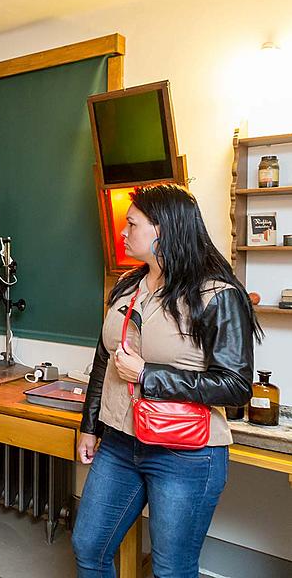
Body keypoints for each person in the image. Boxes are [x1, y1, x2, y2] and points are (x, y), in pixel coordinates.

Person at [72, 184, 261, 577]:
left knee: (171, 569)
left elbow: (236, 385)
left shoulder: (217, 296)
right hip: (120, 442)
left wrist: (149, 375)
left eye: (132, 223)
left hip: (186, 453)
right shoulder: (127, 286)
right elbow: (104, 359)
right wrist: (89, 427)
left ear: (162, 230)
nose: (123, 232)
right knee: (89, 546)